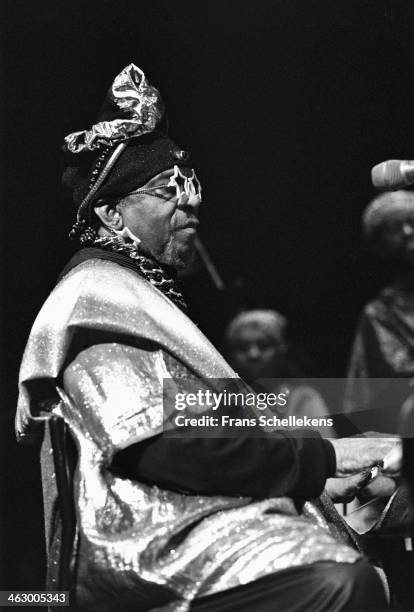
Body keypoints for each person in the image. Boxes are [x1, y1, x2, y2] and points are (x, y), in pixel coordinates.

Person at [16, 63, 397, 611]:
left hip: (196, 522)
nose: (191, 201)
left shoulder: (138, 299)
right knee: (338, 581)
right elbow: (156, 451)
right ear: (110, 212)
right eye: (169, 189)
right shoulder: (99, 299)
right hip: (153, 546)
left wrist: (316, 476)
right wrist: (320, 460)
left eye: (193, 185)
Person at [345, 190, 414, 433]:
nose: (408, 232)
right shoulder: (379, 313)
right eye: (395, 228)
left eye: (412, 223)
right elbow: (364, 398)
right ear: (380, 245)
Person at [224, 309, 335, 437]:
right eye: (243, 348)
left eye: (263, 345)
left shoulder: (303, 399)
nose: (253, 354)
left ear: (280, 352)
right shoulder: (223, 402)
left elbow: (322, 449)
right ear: (230, 357)